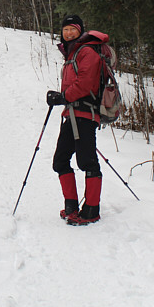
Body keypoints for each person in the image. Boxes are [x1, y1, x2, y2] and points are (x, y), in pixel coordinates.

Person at [46, 14, 103, 225]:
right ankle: (71, 206)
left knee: (87, 161)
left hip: (85, 114)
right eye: (65, 29)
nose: (68, 33)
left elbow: (87, 83)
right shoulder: (72, 54)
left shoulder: (86, 52)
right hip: (71, 114)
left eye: (73, 29)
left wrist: (63, 97)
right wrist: (61, 98)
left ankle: (91, 210)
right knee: (60, 160)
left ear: (81, 30)